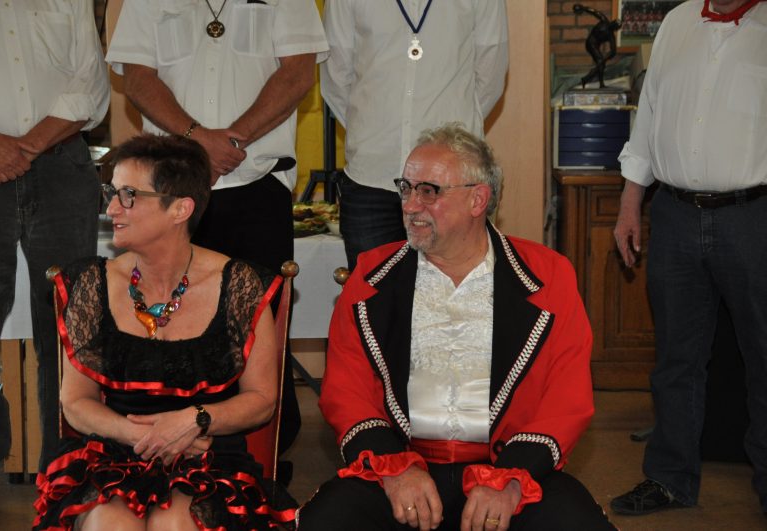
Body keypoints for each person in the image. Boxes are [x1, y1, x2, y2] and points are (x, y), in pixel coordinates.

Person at [299, 124, 615, 531]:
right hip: (401, 462)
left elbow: (566, 398)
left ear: (477, 199)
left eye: (428, 191)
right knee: (328, 521)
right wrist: (395, 470)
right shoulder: (372, 277)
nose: (410, 206)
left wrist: (509, 480)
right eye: (405, 188)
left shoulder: (548, 275)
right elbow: (347, 389)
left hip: (509, 464)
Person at [105, 0, 329, 470]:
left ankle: (261, 460)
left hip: (256, 182)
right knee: (166, 323)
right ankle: (162, 445)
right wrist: (196, 139)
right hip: (169, 190)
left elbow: (297, 74)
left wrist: (231, 140)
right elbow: (138, 78)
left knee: (258, 330)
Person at [32, 134, 296, 530]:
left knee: (177, 520)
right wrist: (144, 435)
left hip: (208, 454)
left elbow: (261, 401)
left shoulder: (239, 285)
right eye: (112, 192)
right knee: (109, 521)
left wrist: (194, 420)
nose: (111, 208)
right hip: (113, 451)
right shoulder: (92, 283)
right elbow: (75, 402)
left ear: (180, 209)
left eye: (128, 195)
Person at [610, 0, 767, 517]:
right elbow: (649, 115)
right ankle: (670, 480)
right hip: (674, 213)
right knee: (676, 359)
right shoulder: (676, 22)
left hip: (754, 216)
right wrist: (630, 202)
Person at [0, 1, 109, 527]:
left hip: (61, 161)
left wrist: (23, 148)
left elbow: (89, 83)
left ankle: (67, 466)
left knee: (71, 322)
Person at [321, 0, 509, 270]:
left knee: (453, 291)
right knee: (373, 292)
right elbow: (335, 77)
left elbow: (491, 75)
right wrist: (372, 128)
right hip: (371, 178)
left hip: (451, 183)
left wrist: (451, 143)